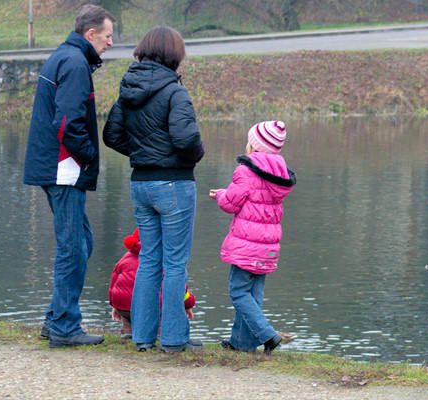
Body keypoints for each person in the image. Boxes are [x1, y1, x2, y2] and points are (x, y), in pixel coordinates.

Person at [103, 26, 205, 353]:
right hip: (174, 183)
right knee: (174, 263)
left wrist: (142, 156)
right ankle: (175, 339)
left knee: (149, 260)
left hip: (141, 183)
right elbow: (187, 140)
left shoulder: (128, 90)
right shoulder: (175, 92)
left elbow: (112, 135)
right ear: (174, 54)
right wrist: (190, 158)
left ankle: (143, 337)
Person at [23, 4, 114, 348]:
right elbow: (67, 122)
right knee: (72, 248)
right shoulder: (75, 64)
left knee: (81, 243)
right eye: (107, 36)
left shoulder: (65, 57)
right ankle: (63, 325)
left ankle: (56, 317)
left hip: (56, 166)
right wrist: (89, 156)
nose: (109, 43)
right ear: (90, 34)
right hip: (63, 169)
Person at [209, 120, 296, 354]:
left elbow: (231, 203)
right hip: (268, 244)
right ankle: (241, 343)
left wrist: (219, 195)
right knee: (253, 294)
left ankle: (268, 335)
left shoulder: (246, 171)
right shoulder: (280, 174)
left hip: (247, 243)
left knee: (238, 291)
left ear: (255, 147)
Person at [109, 228, 196, 340]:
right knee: (157, 316)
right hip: (152, 307)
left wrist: (114, 305)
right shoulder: (165, 259)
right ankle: (159, 336)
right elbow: (179, 288)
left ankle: (128, 333)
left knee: (129, 316)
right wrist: (188, 304)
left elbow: (114, 284)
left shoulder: (124, 259)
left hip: (123, 305)